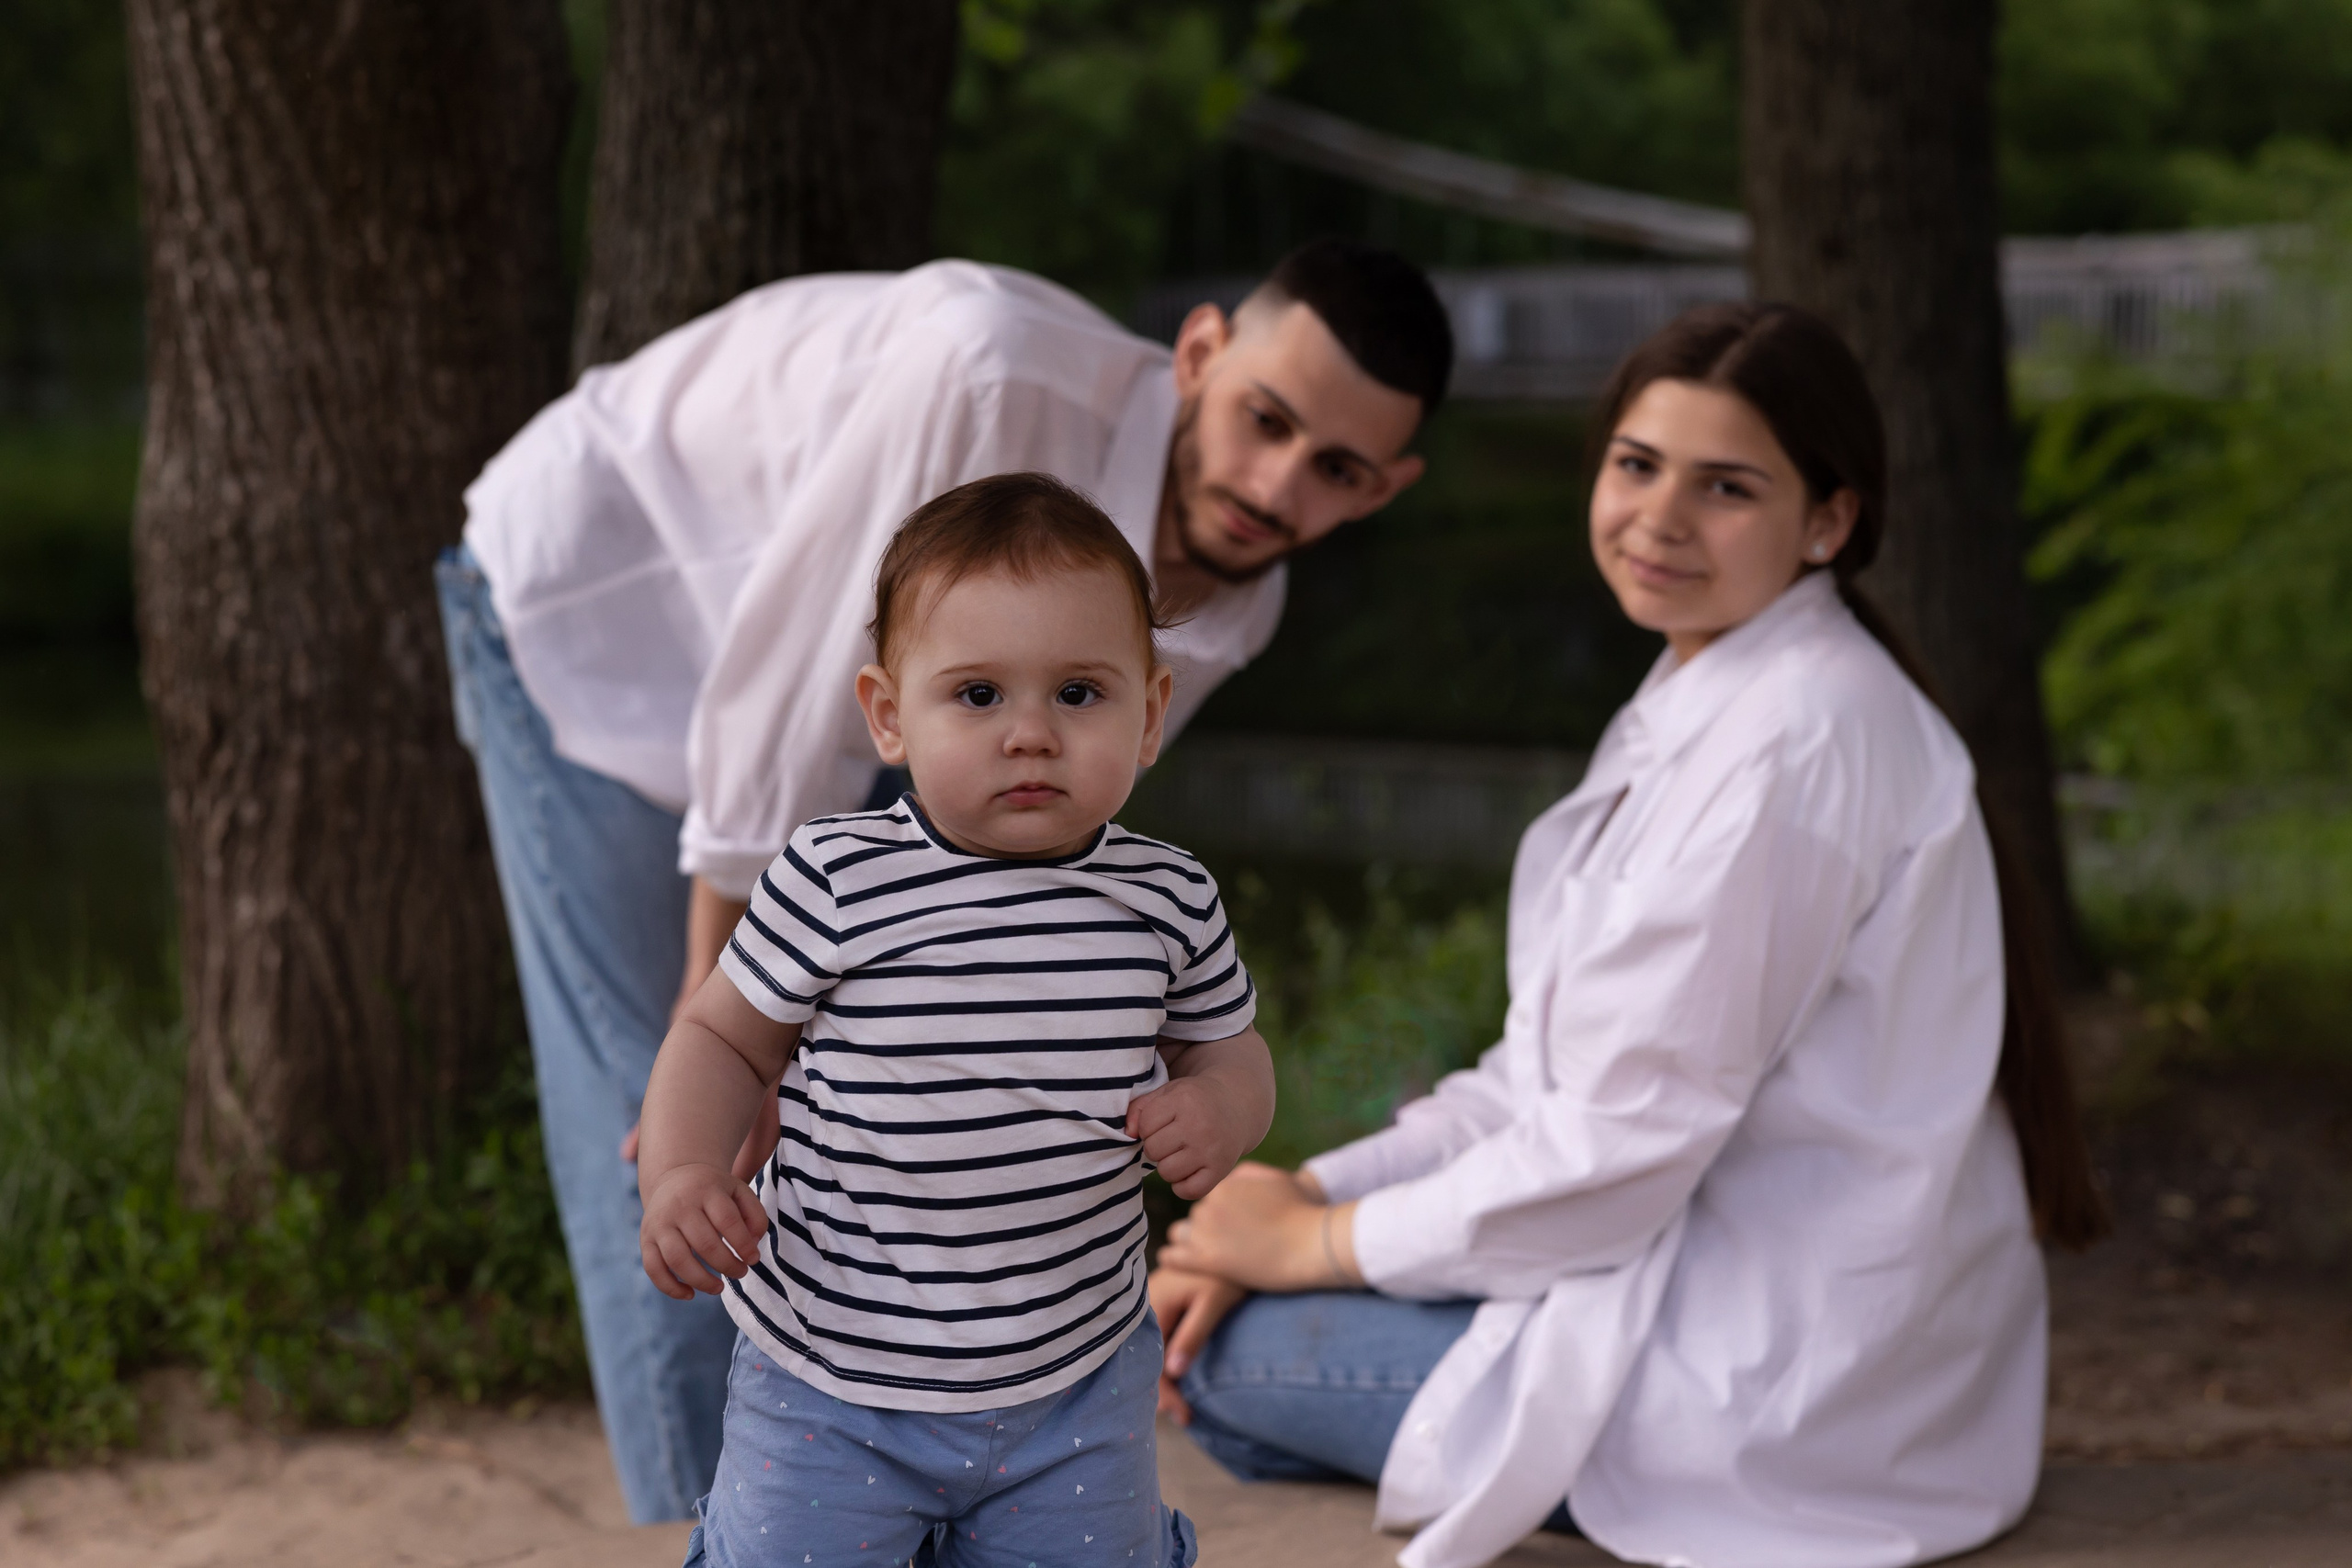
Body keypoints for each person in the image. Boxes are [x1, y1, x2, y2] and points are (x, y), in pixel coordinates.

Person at [433, 240, 1449, 1522]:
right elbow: (783, 696)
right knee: (669, 1107)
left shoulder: (1241, 594)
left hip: (850, 697)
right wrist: (729, 1005)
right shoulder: (987, 375)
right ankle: (732, 1527)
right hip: (604, 593)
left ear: (1385, 487)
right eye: (1265, 418)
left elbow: (1050, 839)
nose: (1275, 483)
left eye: (1336, 469)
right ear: (1200, 355)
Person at [1148, 301, 2107, 1568]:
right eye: (1637, 464)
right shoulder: (1720, 690)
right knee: (1229, 1305)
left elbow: (1614, 1143)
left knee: (1220, 1356)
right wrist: (1303, 1194)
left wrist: (1314, 1247)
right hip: (1747, 1311)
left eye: (1727, 488)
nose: (1660, 518)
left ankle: (1536, 1459)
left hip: (1770, 1379)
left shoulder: (1790, 743)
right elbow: (1541, 1080)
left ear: (1829, 520)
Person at [634, 473, 1275, 1566]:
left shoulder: (1166, 898)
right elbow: (721, 1038)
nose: (1030, 734)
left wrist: (1221, 1105)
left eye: (1079, 694)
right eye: (978, 695)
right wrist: (683, 1172)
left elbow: (1231, 1047)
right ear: (890, 714)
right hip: (832, 1375)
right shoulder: (837, 877)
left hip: (1071, 1374)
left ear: (1152, 712)